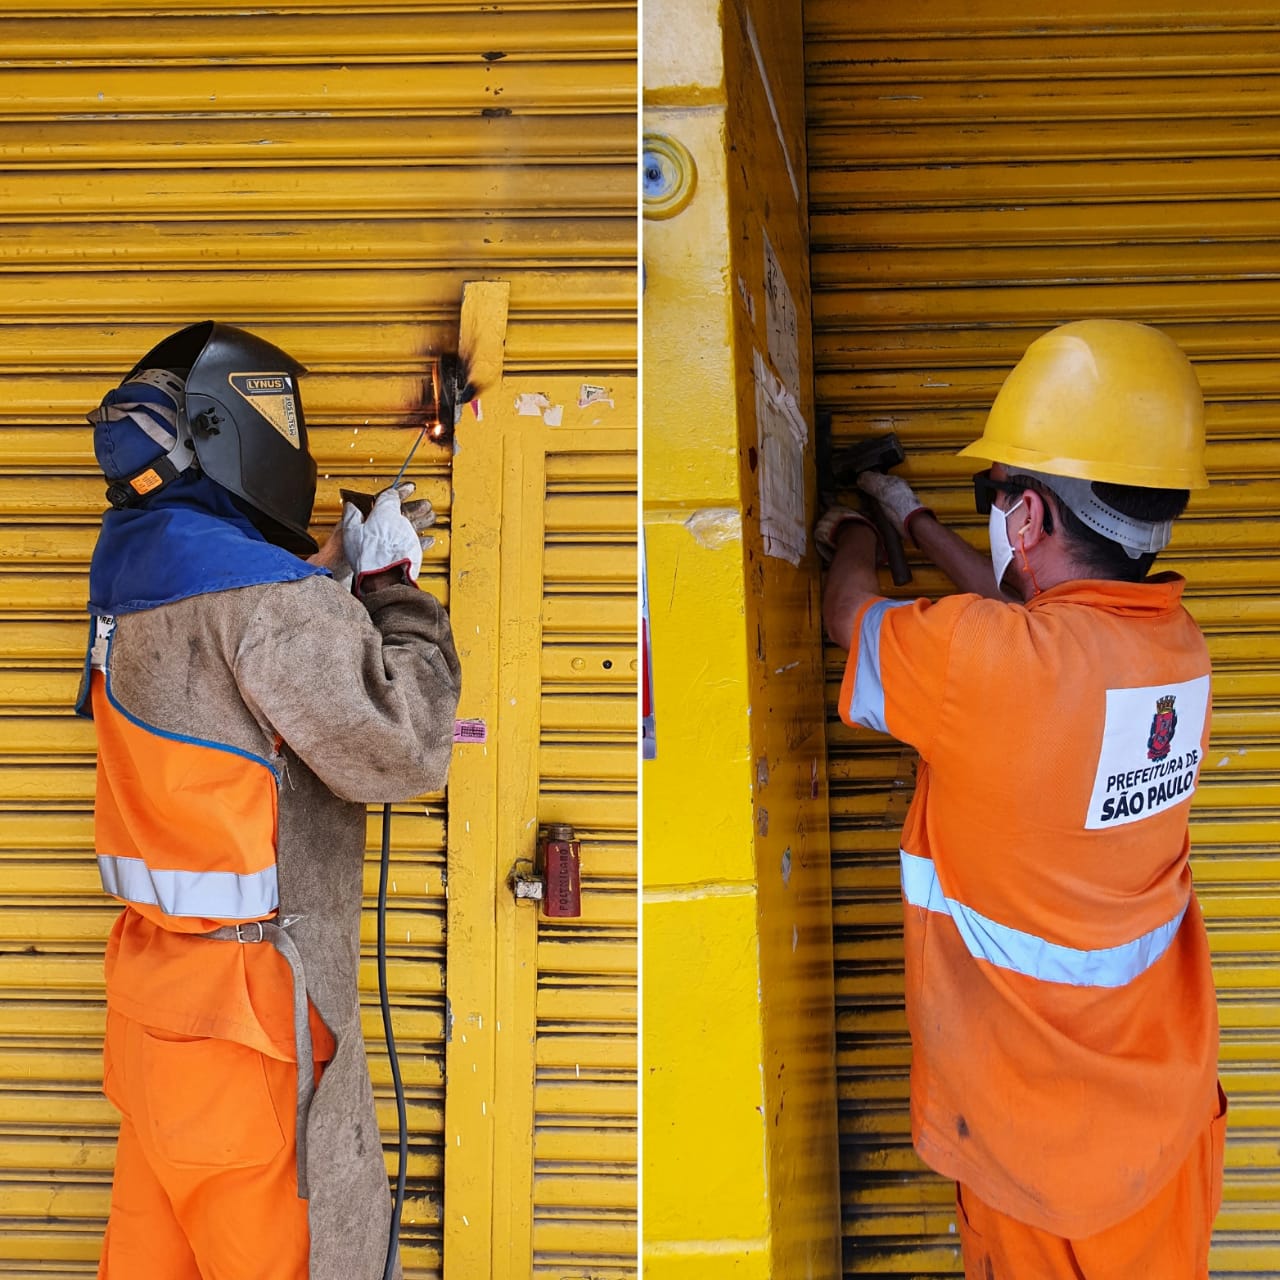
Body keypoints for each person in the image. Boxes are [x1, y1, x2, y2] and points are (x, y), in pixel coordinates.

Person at [817, 319, 1225, 1279]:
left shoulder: (984, 662)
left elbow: (851, 618)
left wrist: (850, 535)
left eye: (996, 495)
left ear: (1031, 518)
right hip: (1165, 1121)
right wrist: (913, 511)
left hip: (1040, 1154)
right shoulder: (1176, 653)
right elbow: (1031, 618)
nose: (997, 515)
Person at [77, 320, 461, 1280]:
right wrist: (390, 587)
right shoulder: (271, 605)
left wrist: (321, 577)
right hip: (250, 1032)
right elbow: (405, 745)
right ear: (227, 431)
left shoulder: (128, 574)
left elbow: (225, 680)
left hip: (153, 1010)